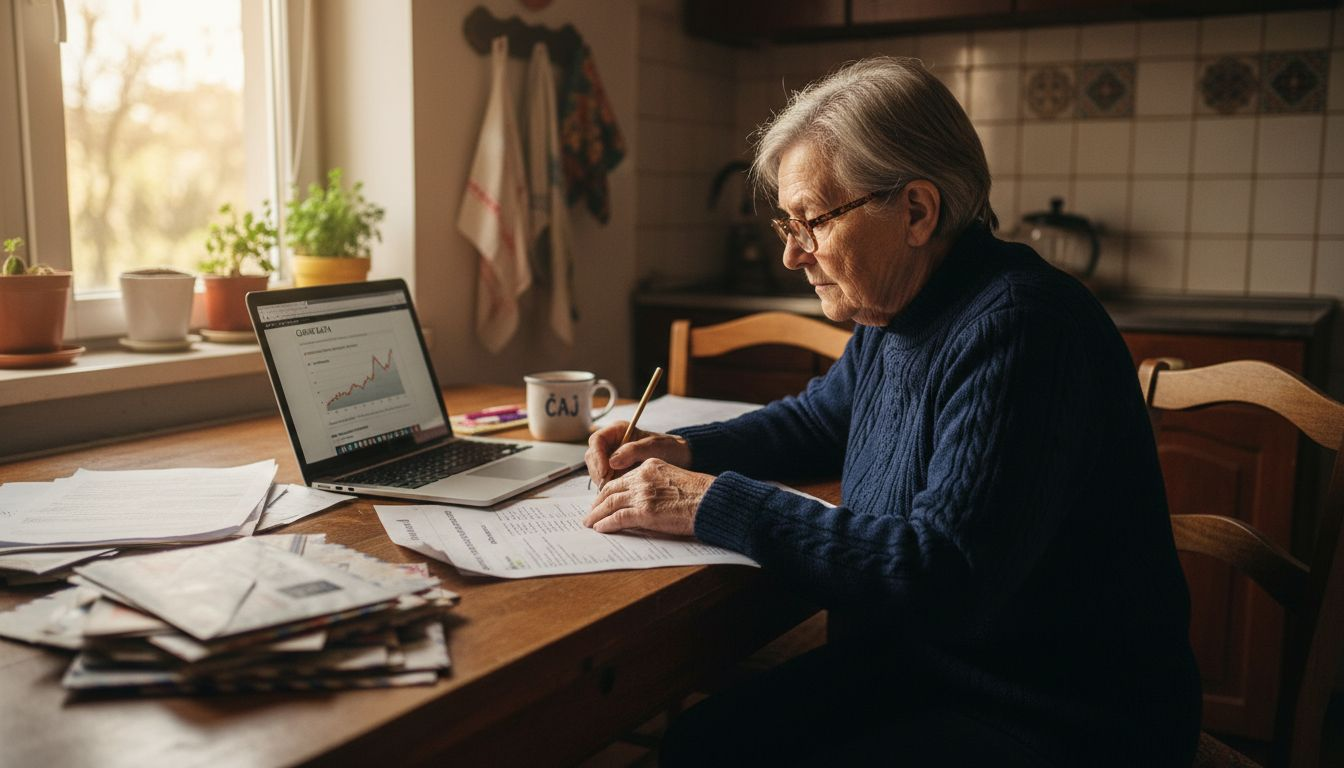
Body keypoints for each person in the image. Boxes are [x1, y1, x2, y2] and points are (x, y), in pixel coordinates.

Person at [583, 57, 1201, 767]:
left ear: (915, 210)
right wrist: (681, 451)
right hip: (925, 669)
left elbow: (945, 574)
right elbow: (818, 421)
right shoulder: (898, 309)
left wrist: (715, 503)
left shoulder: (1023, 327)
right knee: (702, 741)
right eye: (787, 222)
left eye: (811, 220)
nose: (791, 254)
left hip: (1052, 714)